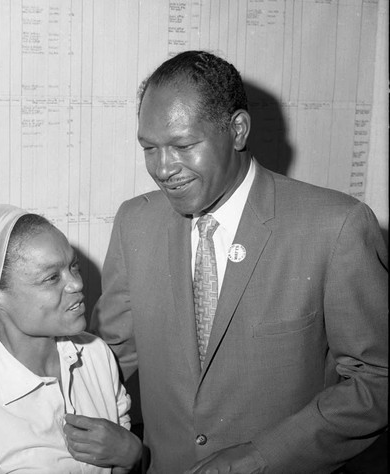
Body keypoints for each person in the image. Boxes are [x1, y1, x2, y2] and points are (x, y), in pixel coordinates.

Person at [90, 50, 388, 473]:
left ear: (237, 130)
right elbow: (110, 357)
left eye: (183, 145)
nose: (162, 168)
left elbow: (377, 380)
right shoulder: (134, 222)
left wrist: (262, 458)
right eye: (149, 148)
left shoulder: (336, 226)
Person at [0, 204, 141, 474]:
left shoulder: (96, 354)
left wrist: (131, 454)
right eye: (51, 277)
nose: (76, 284)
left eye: (74, 267)